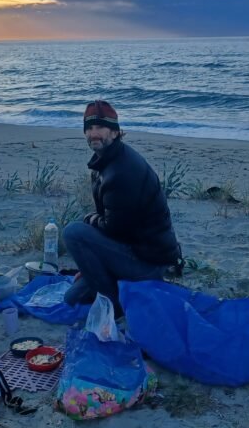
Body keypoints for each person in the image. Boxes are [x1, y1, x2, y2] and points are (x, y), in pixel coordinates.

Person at [63, 100, 181, 314]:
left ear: (115, 132)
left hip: (149, 262)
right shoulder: (105, 162)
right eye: (89, 128)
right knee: (71, 297)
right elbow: (112, 228)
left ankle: (113, 304)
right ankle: (109, 285)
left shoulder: (122, 171)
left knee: (73, 232)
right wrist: (86, 267)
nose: (93, 133)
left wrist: (89, 220)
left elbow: (115, 229)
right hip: (132, 248)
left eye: (100, 127)